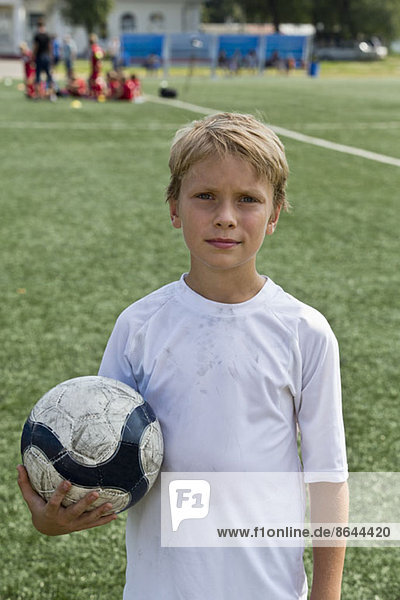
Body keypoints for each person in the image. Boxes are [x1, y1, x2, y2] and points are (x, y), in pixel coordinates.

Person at [17, 113, 349, 599]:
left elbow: (328, 478)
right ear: (174, 207)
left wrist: (327, 594)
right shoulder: (140, 327)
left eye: (248, 200)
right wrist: (55, 517)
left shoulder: (304, 332)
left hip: (268, 589)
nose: (226, 217)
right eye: (205, 196)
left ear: (275, 213)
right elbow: (98, 460)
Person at [32, 19, 55, 99]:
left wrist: (32, 57)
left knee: (38, 76)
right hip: (47, 57)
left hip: (39, 57)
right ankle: (51, 95)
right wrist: (51, 57)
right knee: (49, 76)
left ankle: (38, 95)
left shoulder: (37, 36)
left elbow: (35, 47)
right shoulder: (47, 35)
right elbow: (50, 47)